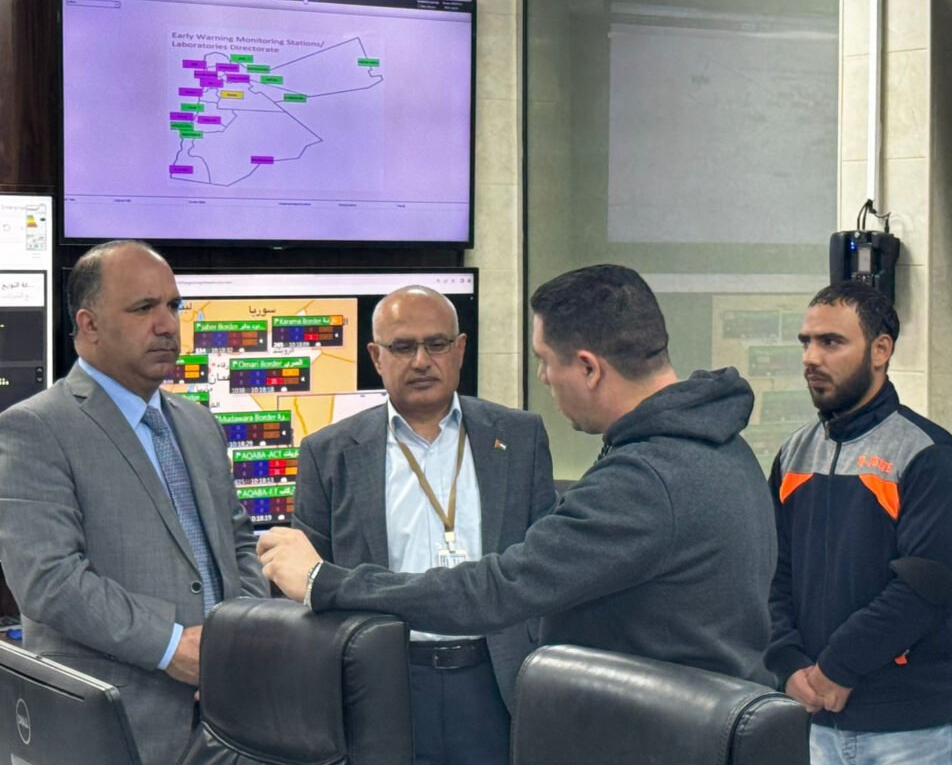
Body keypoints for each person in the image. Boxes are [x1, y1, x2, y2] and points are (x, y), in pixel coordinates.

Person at [259, 263, 776, 688]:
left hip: (653, 748)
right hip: (691, 736)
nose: (544, 377)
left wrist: (324, 580)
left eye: (546, 362)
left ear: (589, 368)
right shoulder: (722, 444)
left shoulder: (643, 481)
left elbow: (498, 589)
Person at [0, 240, 268, 765]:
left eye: (174, 306)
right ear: (89, 324)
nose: (167, 324)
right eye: (145, 308)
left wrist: (237, 643)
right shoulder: (35, 429)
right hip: (114, 738)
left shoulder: (197, 424)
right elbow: (50, 580)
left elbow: (238, 544)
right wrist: (172, 647)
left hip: (231, 727)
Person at [291, 285, 556, 765]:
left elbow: (545, 570)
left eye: (436, 344)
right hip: (386, 683)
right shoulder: (329, 453)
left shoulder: (519, 437)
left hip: (496, 678)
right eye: (402, 347)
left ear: (460, 350)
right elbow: (310, 585)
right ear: (376, 357)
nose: (421, 361)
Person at [766, 281, 952, 765]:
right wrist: (789, 664)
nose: (811, 358)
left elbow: (923, 589)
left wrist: (836, 668)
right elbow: (772, 575)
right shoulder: (793, 454)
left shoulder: (927, 454)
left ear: (880, 350)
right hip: (817, 719)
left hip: (915, 731)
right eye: (806, 342)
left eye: (831, 342)